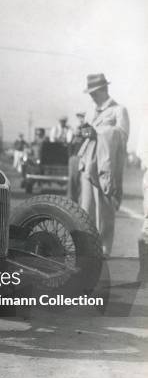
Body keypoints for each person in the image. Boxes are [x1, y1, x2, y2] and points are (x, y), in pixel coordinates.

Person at [78, 73, 129, 256]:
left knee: (105, 210)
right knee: (86, 207)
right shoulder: (91, 110)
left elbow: (122, 137)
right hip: (88, 164)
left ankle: (104, 250)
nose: (91, 96)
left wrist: (99, 133)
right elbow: (86, 132)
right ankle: (86, 248)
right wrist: (84, 132)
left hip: (106, 166)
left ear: (103, 90)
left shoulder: (118, 110)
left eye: (94, 92)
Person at [67, 112, 85, 202]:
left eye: (82, 117)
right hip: (74, 157)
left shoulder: (87, 128)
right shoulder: (72, 130)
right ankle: (72, 200)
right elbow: (69, 144)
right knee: (72, 181)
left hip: (83, 157)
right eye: (79, 117)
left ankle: (80, 201)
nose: (80, 119)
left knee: (82, 182)